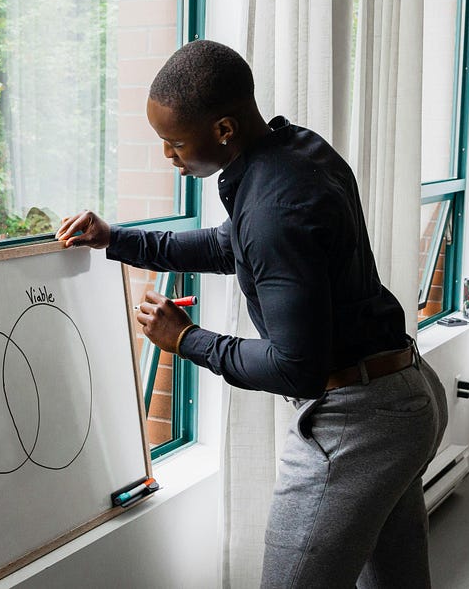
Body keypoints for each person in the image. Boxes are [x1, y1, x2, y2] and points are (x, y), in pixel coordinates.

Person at [55, 39, 448, 588]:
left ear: (222, 129)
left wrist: (185, 338)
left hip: (360, 424)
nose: (168, 156)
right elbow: (230, 246)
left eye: (174, 143)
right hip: (407, 397)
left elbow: (295, 367)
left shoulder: (273, 206)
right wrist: (116, 239)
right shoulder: (296, 151)